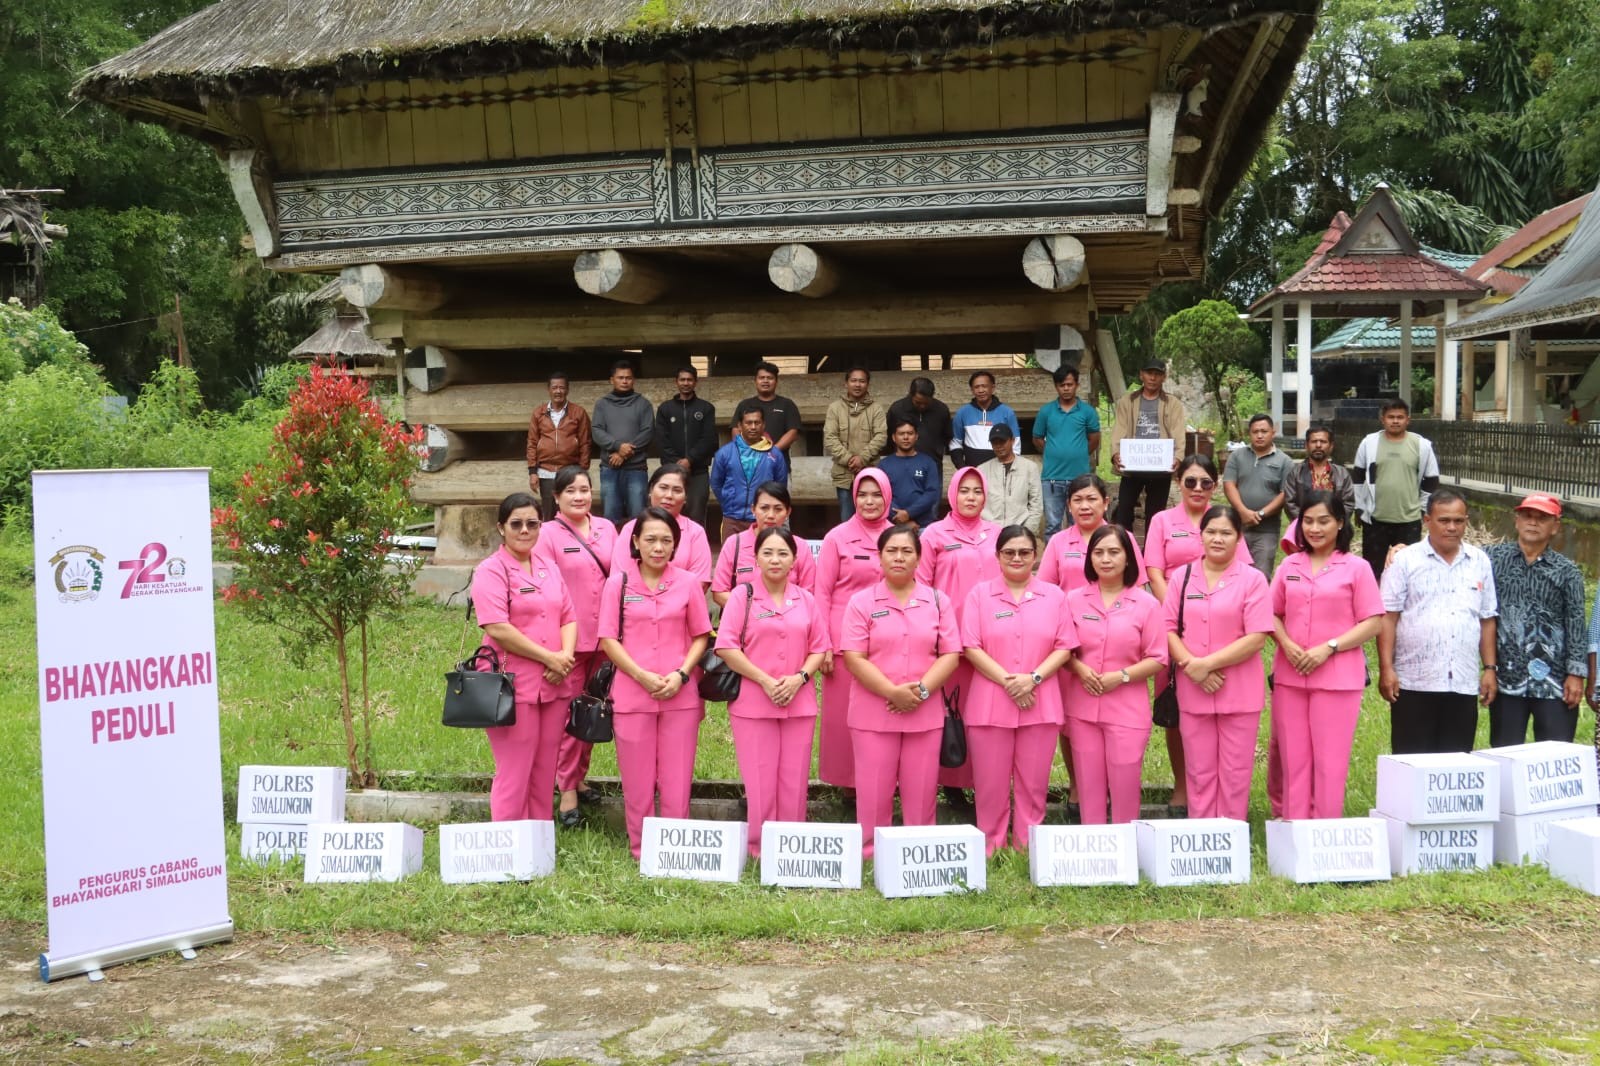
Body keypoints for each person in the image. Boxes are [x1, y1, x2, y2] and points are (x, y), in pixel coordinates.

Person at [597, 507, 713, 859]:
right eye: (651, 539)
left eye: (666, 540)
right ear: (635, 541)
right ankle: (641, 849)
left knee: (677, 778)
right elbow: (608, 640)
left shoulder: (688, 583)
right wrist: (640, 675)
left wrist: (681, 674)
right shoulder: (618, 583)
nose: (658, 547)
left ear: (676, 545)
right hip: (633, 694)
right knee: (637, 779)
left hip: (680, 693)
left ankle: (675, 849)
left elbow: (701, 635)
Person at [841, 525, 961, 859]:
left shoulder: (937, 601)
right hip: (872, 713)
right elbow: (853, 656)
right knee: (873, 790)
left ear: (919, 558)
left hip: (924, 713)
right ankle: (871, 852)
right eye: (891, 551)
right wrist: (892, 692)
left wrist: (920, 692)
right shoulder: (861, 602)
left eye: (907, 551)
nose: (898, 557)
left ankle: (917, 853)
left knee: (921, 791)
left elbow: (951, 654)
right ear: (879, 557)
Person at [1037, 472, 1147, 820]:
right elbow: (1046, 593)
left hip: (1117, 646)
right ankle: (1078, 783)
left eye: (1091, 499)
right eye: (1077, 500)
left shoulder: (1123, 538)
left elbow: (1139, 590)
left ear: (1105, 502)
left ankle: (1114, 787)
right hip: (1072, 650)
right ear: (1067, 506)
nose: (1084, 506)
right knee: (1072, 723)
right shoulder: (1058, 543)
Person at [960, 526, 1077, 854]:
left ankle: (1028, 847)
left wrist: (1033, 679)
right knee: (989, 784)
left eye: (1024, 552)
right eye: (1009, 552)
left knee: (1034, 783)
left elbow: (1064, 646)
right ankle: (991, 846)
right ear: (997, 556)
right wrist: (1010, 682)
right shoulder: (979, 596)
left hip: (1039, 703)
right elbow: (971, 645)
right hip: (990, 704)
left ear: (1036, 555)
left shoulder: (1054, 596)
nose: (1017, 558)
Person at [713, 526, 828, 856]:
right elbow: (726, 646)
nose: (775, 559)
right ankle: (759, 847)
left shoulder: (805, 598)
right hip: (753, 702)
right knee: (760, 779)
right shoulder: (742, 596)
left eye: (783, 553)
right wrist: (764, 679)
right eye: (768, 553)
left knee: (794, 778)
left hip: (799, 701)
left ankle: (792, 848)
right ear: (756, 559)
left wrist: (800, 678)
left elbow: (819, 647)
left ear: (795, 559)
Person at [1269, 492, 1384, 819]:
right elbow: (1271, 612)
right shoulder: (1289, 565)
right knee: (1293, 758)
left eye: (1323, 521)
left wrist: (1330, 647)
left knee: (1330, 761)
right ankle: (1293, 826)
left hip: (1337, 679)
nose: (1315, 528)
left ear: (1340, 523)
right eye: (1308, 521)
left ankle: (1324, 830)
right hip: (1291, 676)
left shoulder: (1356, 568)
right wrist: (1287, 643)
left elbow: (1374, 621)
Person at [470, 493, 578, 822]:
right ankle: (506, 849)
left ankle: (538, 847)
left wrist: (565, 658)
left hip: (554, 683)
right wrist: (550, 658)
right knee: (515, 772)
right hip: (510, 685)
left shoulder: (548, 567)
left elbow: (569, 617)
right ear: (501, 527)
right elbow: (498, 628)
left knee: (544, 773)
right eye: (516, 523)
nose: (524, 530)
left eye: (532, 523)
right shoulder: (491, 570)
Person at [1163, 505, 1272, 822]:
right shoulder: (1182, 578)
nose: (1218, 538)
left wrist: (1205, 664)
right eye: (1211, 531)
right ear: (1201, 535)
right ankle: (1201, 833)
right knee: (1199, 769)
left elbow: (1257, 637)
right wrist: (1189, 665)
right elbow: (1168, 628)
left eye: (1226, 532)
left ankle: (1231, 835)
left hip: (1238, 691)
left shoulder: (1252, 580)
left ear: (1239, 537)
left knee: (1235, 771)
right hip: (1193, 688)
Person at [1377, 488, 1497, 755]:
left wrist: (1489, 668)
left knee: (1454, 766)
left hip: (1462, 682)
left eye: (1459, 520)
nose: (1452, 527)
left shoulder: (1479, 561)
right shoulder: (1404, 561)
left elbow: (1487, 618)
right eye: (1444, 520)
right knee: (1411, 762)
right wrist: (1386, 668)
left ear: (1466, 521)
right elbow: (1388, 617)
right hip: (1414, 681)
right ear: (1426, 520)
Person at [531, 466, 618, 827]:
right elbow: (545, 589)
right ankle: (566, 792)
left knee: (594, 712)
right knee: (571, 716)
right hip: (568, 642)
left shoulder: (607, 529)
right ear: (556, 497)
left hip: (606, 639)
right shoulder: (547, 534)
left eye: (584, 489)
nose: (579, 496)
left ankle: (578, 777)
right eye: (571, 491)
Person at [1065, 524, 1167, 824]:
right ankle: (1094, 849)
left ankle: (1127, 850)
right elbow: (1063, 649)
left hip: (1127, 708)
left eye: (1113, 552)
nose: (1105, 559)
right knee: (1087, 783)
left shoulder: (1146, 604)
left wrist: (1120, 676)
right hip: (1082, 707)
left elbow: (1158, 657)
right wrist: (1080, 669)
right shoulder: (1072, 600)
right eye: (1098, 552)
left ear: (1128, 558)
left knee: (1124, 783)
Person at [917, 467, 1003, 811]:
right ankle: (950, 784)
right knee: (950, 711)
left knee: (984, 714)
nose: (971, 497)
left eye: (977, 491)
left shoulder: (997, 533)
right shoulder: (935, 534)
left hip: (990, 638)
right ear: (952, 494)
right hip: (949, 640)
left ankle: (985, 781)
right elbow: (922, 586)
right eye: (964, 491)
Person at [1140, 453, 1215, 816]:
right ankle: (1183, 787)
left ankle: (1212, 790)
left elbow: (1242, 570)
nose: (1198, 489)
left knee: (1212, 710)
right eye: (1190, 482)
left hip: (1219, 626)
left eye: (1205, 483)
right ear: (1178, 484)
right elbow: (1153, 570)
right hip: (1172, 626)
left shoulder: (1222, 520)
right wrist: (1177, 609)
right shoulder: (1162, 520)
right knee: (1177, 709)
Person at [814, 469, 896, 800]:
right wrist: (823, 646)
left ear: (888, 496)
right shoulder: (837, 537)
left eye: (877, 494)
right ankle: (849, 783)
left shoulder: (899, 537)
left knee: (885, 708)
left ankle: (888, 777)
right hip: (843, 641)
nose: (869, 501)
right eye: (863, 494)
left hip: (889, 639)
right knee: (843, 716)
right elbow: (821, 592)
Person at [1486, 493, 1587, 746]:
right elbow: (1452, 552)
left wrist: (1576, 674)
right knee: (1505, 750)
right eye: (1527, 516)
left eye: (1542, 518)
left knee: (1554, 753)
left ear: (1555, 526)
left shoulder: (1567, 572)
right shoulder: (1491, 560)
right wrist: (1402, 548)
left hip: (1555, 680)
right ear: (1517, 520)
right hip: (1507, 676)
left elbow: (1575, 622)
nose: (1533, 522)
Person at [1351, 398, 1440, 581]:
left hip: (1409, 519)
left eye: (1400, 417)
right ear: (1382, 419)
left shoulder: (1421, 445)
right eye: (1391, 417)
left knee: (1408, 571)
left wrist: (1423, 508)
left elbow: (1431, 479)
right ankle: (1374, 608)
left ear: (1408, 420)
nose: (1395, 421)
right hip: (1375, 518)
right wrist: (1359, 507)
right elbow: (1358, 477)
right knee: (1372, 571)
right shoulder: (1369, 443)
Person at [1110, 359, 1186, 534]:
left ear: (1164, 377)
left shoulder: (1172, 403)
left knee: (1155, 514)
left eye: (1157, 374)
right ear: (1141, 375)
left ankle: (1152, 554)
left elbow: (1178, 432)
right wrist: (1115, 453)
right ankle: (1126, 549)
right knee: (1124, 511)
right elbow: (1119, 429)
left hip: (1160, 467)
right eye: (1149, 373)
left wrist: (1178, 456)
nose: (1153, 377)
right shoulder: (1127, 402)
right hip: (1132, 465)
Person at [712, 480, 816, 608]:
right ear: (753, 509)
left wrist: (777, 614)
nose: (771, 515)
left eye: (778, 509)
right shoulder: (734, 543)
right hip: (742, 622)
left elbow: (808, 593)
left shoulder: (800, 546)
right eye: (764, 508)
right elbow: (719, 592)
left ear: (788, 512)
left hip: (787, 623)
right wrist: (756, 612)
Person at [1032, 364, 1102, 537]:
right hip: (1051, 478)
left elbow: (1094, 438)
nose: (1066, 388)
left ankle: (1078, 560)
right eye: (1062, 385)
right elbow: (1037, 438)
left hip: (1079, 478)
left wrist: (1078, 452)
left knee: (1078, 523)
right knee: (1052, 526)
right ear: (1056, 386)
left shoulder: (1087, 411)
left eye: (1069, 384)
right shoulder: (1046, 411)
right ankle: (1054, 563)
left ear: (1076, 385)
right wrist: (1053, 451)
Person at [612, 466, 713, 584]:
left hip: (682, 601)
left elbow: (700, 582)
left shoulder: (695, 532)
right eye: (663, 488)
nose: (669, 495)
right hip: (636, 600)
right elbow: (620, 578)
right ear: (650, 490)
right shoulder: (630, 529)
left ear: (685, 497)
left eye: (677, 490)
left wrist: (668, 600)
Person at [1222, 413, 1292, 578]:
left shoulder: (1284, 461)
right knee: (1233, 574)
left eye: (1264, 431)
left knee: (1260, 575)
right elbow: (1229, 484)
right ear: (1249, 434)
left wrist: (1260, 514)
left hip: (1267, 529)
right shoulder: (1237, 456)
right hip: (1237, 527)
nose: (1259, 435)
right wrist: (1242, 511)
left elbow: (1284, 493)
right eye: (1255, 431)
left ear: (1272, 433)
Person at [710, 407, 788, 541]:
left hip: (762, 519)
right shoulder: (725, 453)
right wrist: (729, 501)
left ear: (763, 425)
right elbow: (716, 483)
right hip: (732, 518)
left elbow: (780, 486)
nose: (753, 427)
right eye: (748, 423)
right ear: (740, 425)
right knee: (732, 558)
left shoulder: (775, 454)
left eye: (757, 423)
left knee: (763, 558)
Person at [591, 360, 654, 524]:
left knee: (638, 517)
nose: (624, 381)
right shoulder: (602, 404)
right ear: (612, 380)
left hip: (636, 469)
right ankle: (612, 549)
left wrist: (623, 454)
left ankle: (636, 549)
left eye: (628, 378)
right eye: (620, 378)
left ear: (633, 380)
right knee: (610, 517)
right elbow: (597, 431)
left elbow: (647, 432)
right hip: (610, 469)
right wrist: (618, 446)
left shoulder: (643, 404)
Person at [653, 366, 717, 526]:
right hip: (671, 472)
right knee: (669, 513)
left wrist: (690, 460)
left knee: (697, 515)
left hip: (698, 472)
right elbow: (661, 440)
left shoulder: (706, 408)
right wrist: (677, 462)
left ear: (695, 382)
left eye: (689, 380)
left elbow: (709, 439)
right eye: (682, 380)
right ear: (676, 382)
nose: (686, 383)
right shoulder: (665, 409)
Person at [823, 366, 888, 521]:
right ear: (846, 383)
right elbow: (830, 437)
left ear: (868, 384)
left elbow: (881, 436)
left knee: (871, 517)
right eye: (853, 381)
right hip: (844, 475)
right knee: (847, 519)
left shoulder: (876, 409)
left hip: (870, 472)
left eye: (862, 381)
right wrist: (849, 459)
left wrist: (862, 459)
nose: (857, 385)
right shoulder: (835, 408)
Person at [525, 371, 592, 519]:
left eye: (562, 388)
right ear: (548, 389)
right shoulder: (539, 413)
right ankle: (550, 541)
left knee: (570, 511)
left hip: (569, 471)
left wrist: (582, 471)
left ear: (567, 389)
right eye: (554, 388)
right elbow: (532, 442)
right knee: (549, 513)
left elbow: (585, 443)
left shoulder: (578, 413)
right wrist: (532, 471)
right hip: (545, 471)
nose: (558, 391)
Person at [732, 361, 802, 477]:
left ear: (776, 381)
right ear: (755, 381)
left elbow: (793, 432)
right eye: (761, 378)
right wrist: (747, 451)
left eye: (770, 378)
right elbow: (735, 430)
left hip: (778, 467)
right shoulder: (744, 405)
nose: (765, 381)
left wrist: (772, 451)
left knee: (778, 495)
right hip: (749, 467)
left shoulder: (787, 404)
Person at [950, 370, 1022, 469]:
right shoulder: (962, 413)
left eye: (984, 386)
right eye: (976, 387)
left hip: (1001, 469)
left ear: (993, 388)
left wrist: (1010, 467)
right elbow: (955, 443)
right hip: (973, 470)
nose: (981, 390)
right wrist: (962, 467)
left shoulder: (1007, 412)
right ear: (971, 390)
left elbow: (1016, 443)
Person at [879, 418, 941, 530]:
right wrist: (902, 520)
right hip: (893, 526)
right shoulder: (884, 465)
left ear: (916, 436)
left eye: (910, 433)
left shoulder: (928, 462)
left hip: (923, 526)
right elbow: (882, 495)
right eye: (901, 434)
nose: (906, 437)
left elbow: (932, 493)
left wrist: (909, 513)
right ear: (894, 437)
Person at [1283, 423, 1354, 521]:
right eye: (1314, 441)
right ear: (1307, 445)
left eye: (1323, 441)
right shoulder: (1296, 473)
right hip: (1304, 528)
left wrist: (1332, 522)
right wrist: (1307, 522)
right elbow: (1289, 503)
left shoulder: (1342, 474)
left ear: (1331, 446)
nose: (1318, 445)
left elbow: (1348, 503)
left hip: (1333, 530)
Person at [979, 424, 1043, 533]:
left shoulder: (1029, 467)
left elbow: (1036, 504)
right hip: (989, 531)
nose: (999, 446)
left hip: (1020, 529)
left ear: (1012, 441)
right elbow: (977, 504)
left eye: (1002, 441)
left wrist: (1026, 532)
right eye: (995, 442)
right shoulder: (982, 470)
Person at [886, 377, 953, 463]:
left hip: (933, 463)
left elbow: (947, 436)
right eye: (918, 402)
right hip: (902, 463)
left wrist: (938, 451)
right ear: (911, 394)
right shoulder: (897, 409)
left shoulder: (941, 410)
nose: (922, 406)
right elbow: (889, 437)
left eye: (926, 403)